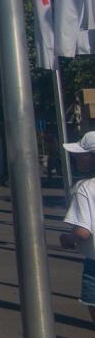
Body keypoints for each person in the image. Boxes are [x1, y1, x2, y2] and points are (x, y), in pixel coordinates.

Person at [60, 131, 95, 325]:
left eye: (80, 155)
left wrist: (67, 238)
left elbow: (83, 231)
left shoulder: (85, 188)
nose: (75, 158)